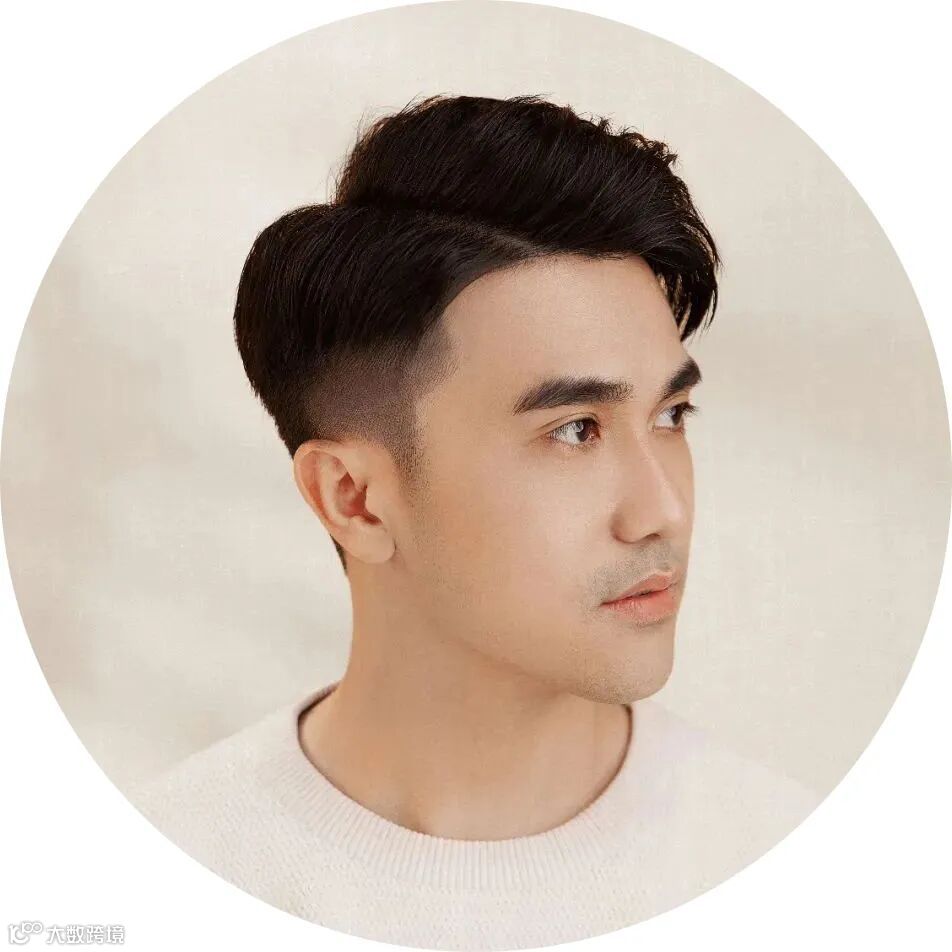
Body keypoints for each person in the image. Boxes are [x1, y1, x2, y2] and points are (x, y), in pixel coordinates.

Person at [130, 94, 819, 951]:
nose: (664, 510)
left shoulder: (797, 875)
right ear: (354, 498)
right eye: (576, 429)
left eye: (671, 415)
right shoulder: (154, 882)